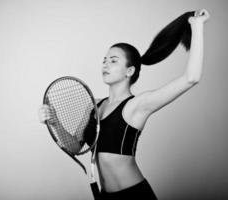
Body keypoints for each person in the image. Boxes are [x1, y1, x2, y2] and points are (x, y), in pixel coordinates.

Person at [38, 9, 210, 200]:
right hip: (104, 195)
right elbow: (76, 147)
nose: (105, 65)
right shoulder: (94, 105)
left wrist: (197, 26)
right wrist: (55, 122)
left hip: (134, 195)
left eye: (113, 61)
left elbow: (191, 78)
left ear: (129, 71)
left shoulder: (138, 105)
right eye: (104, 61)